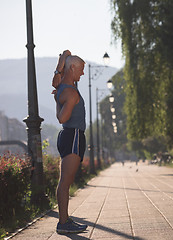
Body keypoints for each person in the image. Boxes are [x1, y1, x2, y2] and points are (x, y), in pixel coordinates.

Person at [52, 51, 88, 234]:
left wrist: (58, 71)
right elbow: (62, 118)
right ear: (72, 68)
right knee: (65, 182)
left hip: (69, 135)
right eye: (80, 70)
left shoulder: (66, 85)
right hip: (73, 135)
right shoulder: (71, 92)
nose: (82, 73)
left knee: (65, 181)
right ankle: (63, 223)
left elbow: (66, 53)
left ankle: (64, 221)